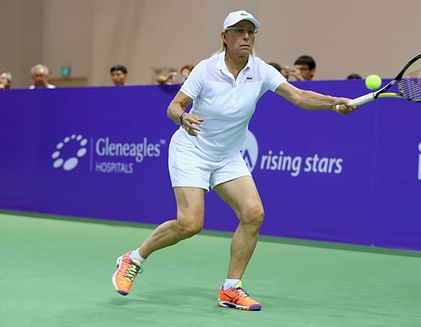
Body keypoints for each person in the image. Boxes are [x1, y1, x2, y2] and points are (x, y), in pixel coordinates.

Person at [112, 9, 355, 311]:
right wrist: (184, 118)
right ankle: (132, 259)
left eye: (251, 32)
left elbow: (298, 96)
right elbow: (173, 107)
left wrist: (334, 103)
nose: (246, 37)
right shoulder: (205, 69)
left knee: (253, 213)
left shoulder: (262, 70)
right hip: (192, 150)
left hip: (227, 156)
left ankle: (231, 288)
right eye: (239, 31)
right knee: (189, 224)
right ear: (224, 37)